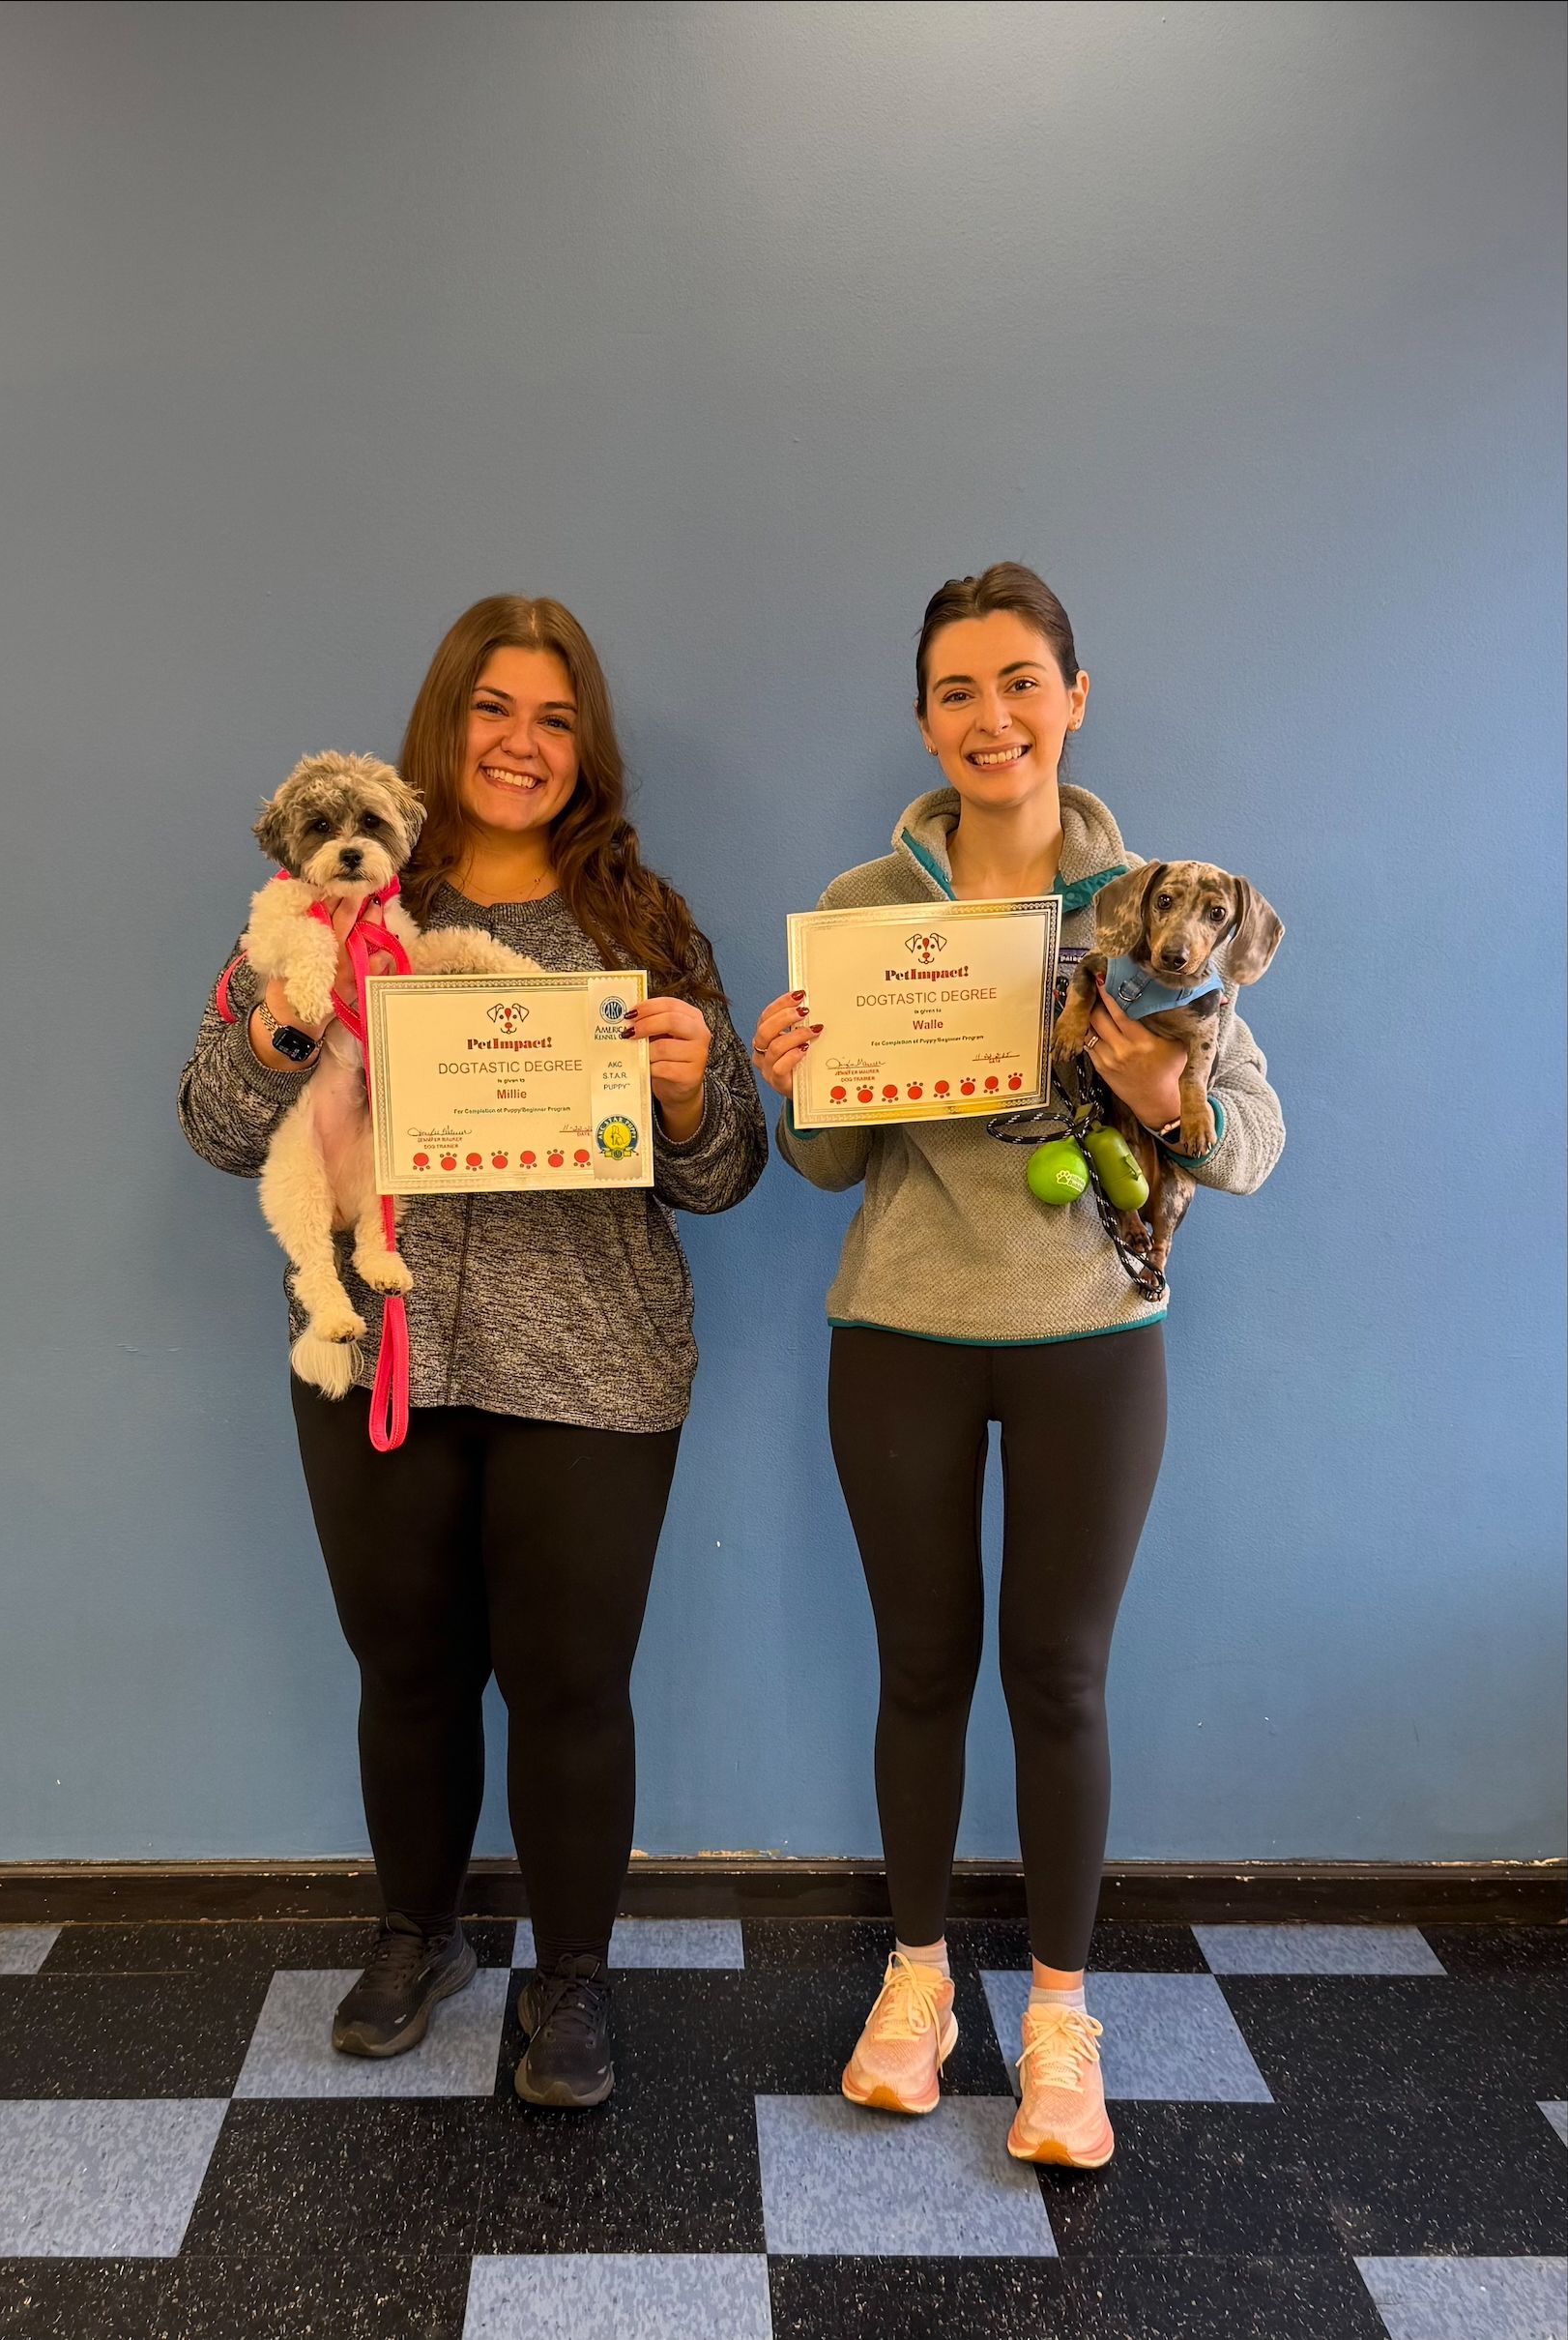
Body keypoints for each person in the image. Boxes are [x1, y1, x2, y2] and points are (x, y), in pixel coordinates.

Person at [180, 596, 767, 2107]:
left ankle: (570, 1981)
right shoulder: (329, 906)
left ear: (590, 751)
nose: (524, 744)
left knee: (573, 1684)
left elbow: (719, 1176)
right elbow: (214, 1127)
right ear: (443, 729)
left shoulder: (643, 924)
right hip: (386, 1350)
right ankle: (418, 1935)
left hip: (596, 1363)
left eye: (557, 719)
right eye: (495, 711)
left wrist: (698, 1095)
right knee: (410, 1673)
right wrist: (281, 1028)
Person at [752, 564, 1284, 2167]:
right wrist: (803, 1086)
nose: (994, 717)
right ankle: (915, 1985)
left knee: (1057, 1680)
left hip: (1092, 1347)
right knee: (920, 1673)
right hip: (902, 1334)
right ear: (925, 719)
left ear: (1074, 698)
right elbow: (833, 1173)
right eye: (959, 691)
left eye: (1022, 683)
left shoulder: (1162, 909)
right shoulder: (862, 911)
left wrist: (1165, 1094)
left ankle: (1060, 2021)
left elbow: (1249, 1145)